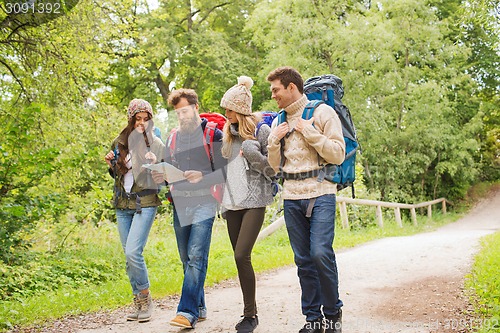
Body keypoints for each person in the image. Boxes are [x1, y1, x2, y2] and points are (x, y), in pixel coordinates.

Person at [266, 67, 345, 333]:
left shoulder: (323, 112)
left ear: (291, 87)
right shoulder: (278, 121)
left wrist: (310, 133)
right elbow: (273, 167)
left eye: (276, 90)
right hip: (291, 196)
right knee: (303, 260)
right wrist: (272, 144)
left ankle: (333, 313)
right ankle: (313, 318)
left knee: (320, 253)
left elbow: (338, 154)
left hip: (321, 191)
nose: (273, 96)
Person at [158, 88, 225, 329]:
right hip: (180, 203)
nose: (181, 116)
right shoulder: (173, 137)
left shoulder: (214, 134)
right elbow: (166, 168)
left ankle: (186, 312)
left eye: (185, 111)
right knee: (186, 258)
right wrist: (161, 176)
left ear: (196, 108)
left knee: (197, 255)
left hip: (205, 202)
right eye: (177, 113)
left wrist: (203, 176)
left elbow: (225, 171)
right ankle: (200, 307)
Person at [220, 76, 276, 333]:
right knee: (239, 259)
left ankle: (249, 316)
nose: (226, 113)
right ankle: (250, 313)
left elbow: (274, 170)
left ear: (241, 109)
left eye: (229, 109)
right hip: (232, 203)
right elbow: (228, 172)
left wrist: (253, 155)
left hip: (255, 201)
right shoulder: (228, 135)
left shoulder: (261, 131)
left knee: (243, 254)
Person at [104, 98, 165, 323]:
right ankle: (137, 300)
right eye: (137, 119)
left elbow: (163, 177)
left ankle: (146, 298)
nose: (141, 124)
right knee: (128, 257)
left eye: (145, 119)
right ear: (131, 120)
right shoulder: (119, 141)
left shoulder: (155, 143)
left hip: (145, 202)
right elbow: (118, 176)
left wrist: (153, 163)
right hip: (122, 204)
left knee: (133, 252)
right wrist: (112, 164)